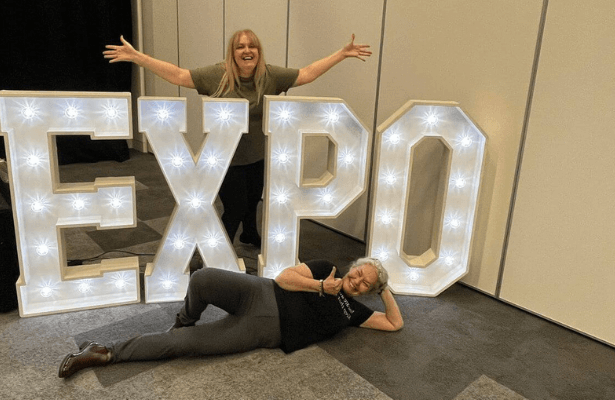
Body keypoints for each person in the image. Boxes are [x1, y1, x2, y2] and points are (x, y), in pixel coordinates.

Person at [103, 30, 372, 247]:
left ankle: (249, 235)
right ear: (232, 53)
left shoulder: (269, 75)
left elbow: (305, 74)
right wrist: (139, 58)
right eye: (240, 46)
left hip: (257, 154)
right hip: (224, 158)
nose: (246, 50)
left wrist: (341, 54)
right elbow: (179, 75)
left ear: (258, 51)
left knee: (254, 198)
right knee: (235, 206)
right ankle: (216, 251)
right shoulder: (218, 75)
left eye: (251, 46)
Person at [58, 258, 403, 378]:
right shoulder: (325, 268)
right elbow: (283, 278)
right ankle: (185, 317)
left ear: (367, 291)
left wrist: (385, 287)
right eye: (360, 274)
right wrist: (319, 287)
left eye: (366, 285)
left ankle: (104, 352)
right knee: (203, 278)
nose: (358, 282)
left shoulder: (355, 312)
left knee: (185, 345)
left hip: (265, 329)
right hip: (260, 291)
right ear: (353, 267)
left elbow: (393, 323)